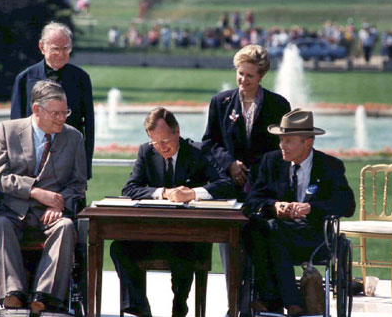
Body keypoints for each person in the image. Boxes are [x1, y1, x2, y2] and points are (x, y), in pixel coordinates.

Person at [110, 107, 234, 317]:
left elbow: (225, 184)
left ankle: (180, 305)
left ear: (177, 131)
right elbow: (130, 188)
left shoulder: (198, 151)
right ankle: (138, 310)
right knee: (119, 248)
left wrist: (193, 193)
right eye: (155, 142)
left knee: (184, 250)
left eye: (165, 141)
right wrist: (162, 193)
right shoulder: (146, 152)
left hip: (189, 237)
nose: (161, 147)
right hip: (152, 234)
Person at [202, 44, 290, 315]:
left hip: (263, 188)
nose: (243, 80)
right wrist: (230, 164)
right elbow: (209, 142)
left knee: (259, 239)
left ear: (261, 76)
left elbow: (282, 148)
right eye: (240, 74)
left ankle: (263, 300)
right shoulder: (221, 102)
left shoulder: (278, 105)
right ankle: (234, 305)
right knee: (230, 244)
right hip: (229, 187)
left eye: (250, 76)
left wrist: (256, 170)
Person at [243, 109, 356, 316]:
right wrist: (275, 206)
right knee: (256, 228)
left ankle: (272, 299)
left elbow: (347, 205)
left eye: (288, 141)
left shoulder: (330, 166)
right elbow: (252, 201)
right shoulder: (272, 161)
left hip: (313, 236)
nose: (281, 146)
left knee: (267, 231)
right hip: (276, 232)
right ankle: (291, 301)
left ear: (308, 142)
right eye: (281, 140)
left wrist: (312, 208)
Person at [0, 80, 87, 314]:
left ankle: (45, 296)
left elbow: (78, 184)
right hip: (15, 210)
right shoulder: (7, 130)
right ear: (36, 110)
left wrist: (60, 203)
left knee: (65, 227)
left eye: (65, 112)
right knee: (1, 224)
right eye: (56, 113)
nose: (62, 118)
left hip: (52, 214)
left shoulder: (73, 138)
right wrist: (34, 192)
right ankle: (13, 293)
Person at [10, 21, 94, 180]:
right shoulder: (24, 79)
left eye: (66, 48)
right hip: (31, 164)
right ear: (42, 47)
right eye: (56, 49)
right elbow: (15, 127)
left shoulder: (81, 79)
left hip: (70, 162)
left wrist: (85, 168)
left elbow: (89, 126)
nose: (61, 54)